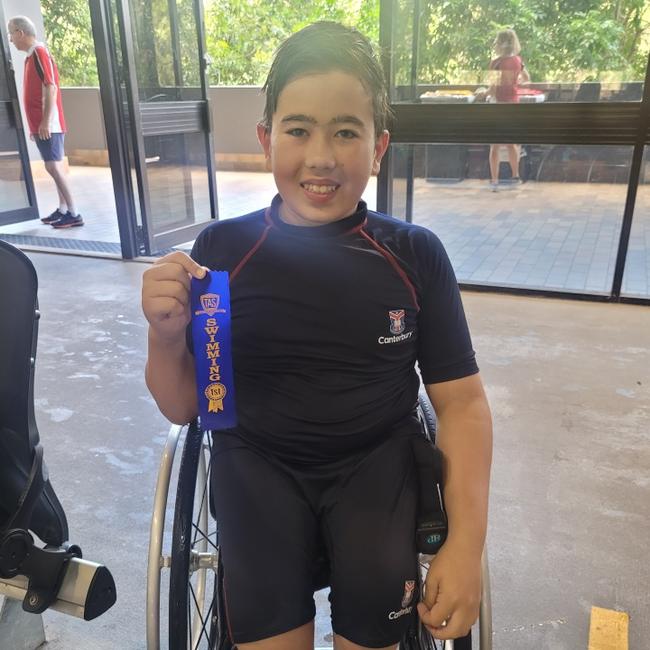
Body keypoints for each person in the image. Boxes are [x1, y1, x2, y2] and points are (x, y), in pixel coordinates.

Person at [142, 21, 492, 650]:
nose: (321, 156)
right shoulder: (221, 251)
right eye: (298, 129)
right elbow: (185, 405)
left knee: (378, 600)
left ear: (379, 145)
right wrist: (165, 337)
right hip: (257, 462)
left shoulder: (415, 256)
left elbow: (462, 405)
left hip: (375, 464)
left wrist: (465, 547)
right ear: (265, 138)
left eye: (346, 132)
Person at [7, 15, 83, 228]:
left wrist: (45, 123)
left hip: (49, 125)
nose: (10, 39)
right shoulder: (30, 57)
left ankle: (74, 213)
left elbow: (51, 87)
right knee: (53, 166)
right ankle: (63, 209)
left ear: (20, 33)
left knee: (53, 167)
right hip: (42, 125)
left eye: (11, 34)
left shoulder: (40, 53)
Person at [484, 28, 530, 191]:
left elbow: (492, 88)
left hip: (498, 105)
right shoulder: (518, 61)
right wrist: (515, 83)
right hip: (513, 104)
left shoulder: (495, 63)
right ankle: (515, 176)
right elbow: (526, 79)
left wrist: (483, 93)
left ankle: (495, 181)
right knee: (512, 143)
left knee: (495, 145)